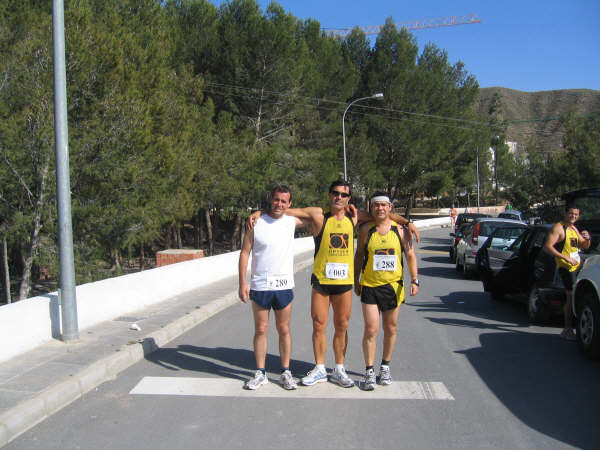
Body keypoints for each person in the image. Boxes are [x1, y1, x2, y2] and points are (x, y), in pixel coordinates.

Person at [248, 180, 419, 388]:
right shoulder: (318, 215)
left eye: (344, 195)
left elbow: (383, 214)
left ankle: (339, 369)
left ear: (349, 199)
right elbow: (285, 209)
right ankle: (320, 368)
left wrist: (407, 222)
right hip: (321, 282)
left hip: (344, 283)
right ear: (330, 195)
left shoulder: (354, 216)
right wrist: (260, 212)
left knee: (342, 326)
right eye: (335, 193)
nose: (339, 197)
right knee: (318, 325)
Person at [238, 185, 305, 390]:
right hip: (260, 285)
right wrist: (242, 283)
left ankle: (285, 372)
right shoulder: (256, 223)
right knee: (261, 329)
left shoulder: (292, 221)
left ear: (290, 204)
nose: (279, 204)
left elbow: (315, 214)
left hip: (284, 285)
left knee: (284, 329)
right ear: (271, 199)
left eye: (284, 201)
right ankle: (261, 373)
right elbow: (244, 253)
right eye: (276, 200)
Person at [354, 191, 419, 390]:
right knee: (371, 329)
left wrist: (415, 280)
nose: (380, 208)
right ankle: (369, 371)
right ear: (371, 208)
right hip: (370, 286)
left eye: (384, 205)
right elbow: (359, 255)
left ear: (390, 208)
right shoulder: (366, 229)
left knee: (390, 329)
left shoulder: (400, 230)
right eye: (376, 205)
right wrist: (356, 280)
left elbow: (410, 255)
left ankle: (385, 367)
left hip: (393, 286)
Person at [543, 204, 591, 340]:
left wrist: (587, 238)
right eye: (571, 214)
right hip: (566, 268)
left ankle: (572, 327)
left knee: (575, 296)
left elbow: (584, 246)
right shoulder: (559, 228)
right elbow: (547, 247)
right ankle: (567, 329)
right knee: (570, 297)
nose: (573, 216)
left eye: (576, 215)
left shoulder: (573, 228)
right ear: (565, 214)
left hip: (577, 267)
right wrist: (565, 258)